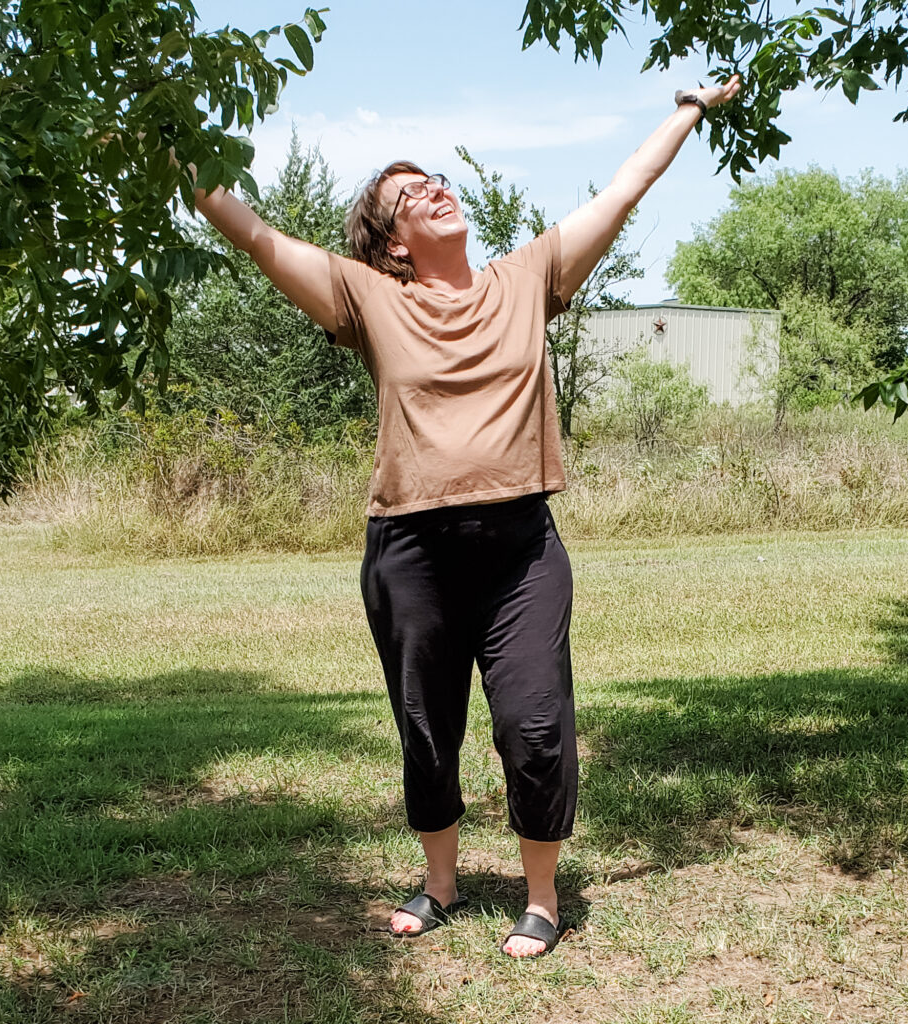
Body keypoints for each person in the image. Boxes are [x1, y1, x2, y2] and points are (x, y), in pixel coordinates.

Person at [190, 76, 741, 958]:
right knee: (426, 723)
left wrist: (688, 110)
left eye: (434, 178)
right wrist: (167, 146)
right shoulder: (367, 299)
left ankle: (542, 897)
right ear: (394, 244)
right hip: (412, 548)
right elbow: (252, 232)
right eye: (407, 195)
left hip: (521, 547)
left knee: (534, 722)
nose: (432, 190)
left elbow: (624, 189)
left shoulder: (529, 277)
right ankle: (440, 880)